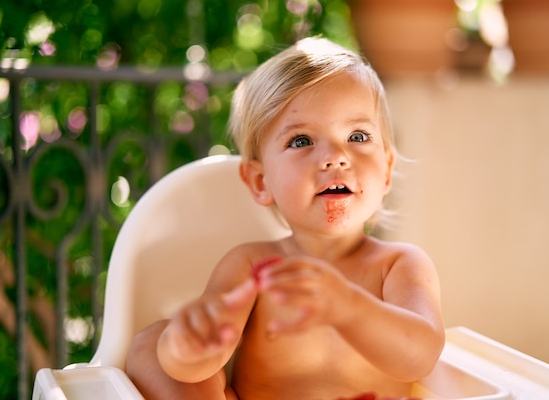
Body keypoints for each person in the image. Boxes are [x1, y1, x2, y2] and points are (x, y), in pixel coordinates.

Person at [125, 36, 444, 400]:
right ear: (261, 182)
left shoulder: (398, 265)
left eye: (357, 135)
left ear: (386, 170)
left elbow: (421, 356)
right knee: (150, 346)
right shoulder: (252, 266)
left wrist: (348, 306)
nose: (335, 157)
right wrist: (188, 346)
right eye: (301, 141)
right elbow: (198, 366)